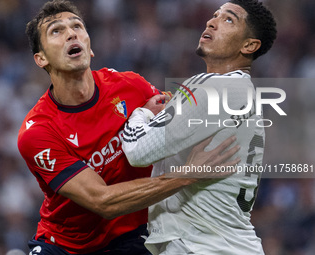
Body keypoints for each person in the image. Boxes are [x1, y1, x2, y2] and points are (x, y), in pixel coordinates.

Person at [17, 1, 240, 254]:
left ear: (89, 47)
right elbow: (102, 200)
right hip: (66, 245)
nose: (71, 33)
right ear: (41, 58)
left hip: (132, 235)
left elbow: (184, 129)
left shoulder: (131, 87)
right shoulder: (37, 132)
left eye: (77, 26)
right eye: (56, 31)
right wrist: (189, 173)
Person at [122, 0, 277, 254]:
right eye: (215, 15)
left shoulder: (211, 86)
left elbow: (137, 150)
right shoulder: (245, 93)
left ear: (249, 45)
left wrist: (142, 113)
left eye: (228, 20)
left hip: (200, 246)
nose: (211, 21)